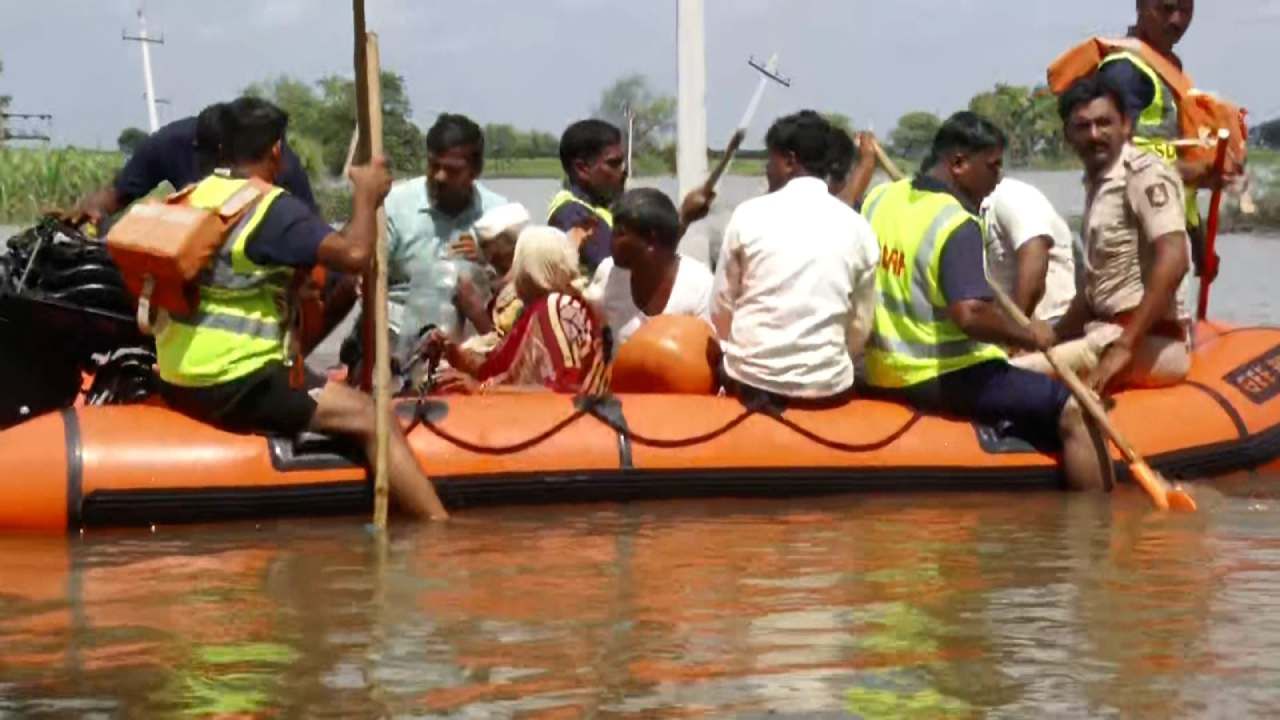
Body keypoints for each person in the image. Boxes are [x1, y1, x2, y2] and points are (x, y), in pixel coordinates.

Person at [149, 97, 445, 519]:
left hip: (179, 375)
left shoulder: (193, 197)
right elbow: (355, 254)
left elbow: (243, 269)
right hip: (239, 383)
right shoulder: (269, 206)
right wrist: (366, 195)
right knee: (372, 417)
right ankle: (439, 529)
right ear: (275, 151)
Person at [860, 112, 1110, 491]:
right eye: (992, 166)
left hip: (880, 369)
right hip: (942, 374)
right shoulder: (955, 224)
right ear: (959, 164)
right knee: (1076, 408)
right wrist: (1028, 336)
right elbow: (970, 315)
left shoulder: (880, 199)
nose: (998, 178)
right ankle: (1096, 528)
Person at [1015, 75, 1191, 393]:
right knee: (1019, 356)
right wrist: (1049, 337)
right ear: (1068, 134)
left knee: (1009, 374)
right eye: (1082, 126)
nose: (1095, 135)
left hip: (1147, 341)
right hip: (1102, 332)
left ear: (1126, 125)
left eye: (1104, 123)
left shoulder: (1143, 174)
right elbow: (1094, 293)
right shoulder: (1097, 184)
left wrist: (1125, 346)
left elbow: (1175, 257)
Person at [711, 111, 880, 405]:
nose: (766, 169)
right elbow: (860, 324)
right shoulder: (858, 227)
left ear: (789, 161)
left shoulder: (748, 215)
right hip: (827, 387)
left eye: (770, 160)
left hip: (750, 382)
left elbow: (721, 310)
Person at [338, 114, 509, 369]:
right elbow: (358, 266)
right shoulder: (394, 205)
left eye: (452, 170)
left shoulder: (498, 215)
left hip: (468, 345)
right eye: (433, 166)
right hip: (395, 333)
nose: (439, 176)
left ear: (475, 171)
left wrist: (487, 260)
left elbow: (517, 288)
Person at [65, 101, 317, 227]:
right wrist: (82, 217)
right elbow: (116, 195)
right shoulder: (168, 143)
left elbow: (312, 231)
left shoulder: (281, 163)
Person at [1095, 0, 1211, 268]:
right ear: (1140, 6)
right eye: (1166, 9)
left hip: (1166, 231)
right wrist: (1192, 171)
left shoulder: (1170, 69)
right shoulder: (1124, 70)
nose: (1177, 21)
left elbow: (1172, 155)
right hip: (1129, 235)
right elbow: (1112, 158)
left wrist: (1197, 239)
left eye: (1186, 10)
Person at [428, 226, 606, 395]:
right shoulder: (536, 312)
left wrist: (481, 390)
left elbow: (564, 389)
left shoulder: (558, 307)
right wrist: (452, 351)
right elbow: (493, 368)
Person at [586, 188, 713, 347]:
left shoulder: (700, 285)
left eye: (620, 233)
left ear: (651, 241)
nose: (611, 240)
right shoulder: (607, 273)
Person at [980, 177, 1076, 323]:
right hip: (1022, 326)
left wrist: (1018, 333)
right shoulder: (979, 209)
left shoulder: (1012, 197)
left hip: (1049, 323)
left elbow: (1035, 257)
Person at [547, 119, 627, 272]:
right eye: (613, 163)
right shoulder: (573, 215)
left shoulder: (598, 206)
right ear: (582, 169)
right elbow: (616, 271)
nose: (623, 171)